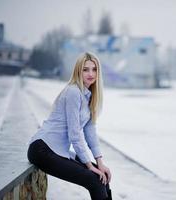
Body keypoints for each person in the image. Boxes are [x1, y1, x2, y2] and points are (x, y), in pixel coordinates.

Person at [27, 52, 112, 200]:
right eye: (85, 69)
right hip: (42, 149)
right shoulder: (73, 92)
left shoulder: (89, 96)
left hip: (57, 150)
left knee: (102, 177)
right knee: (95, 180)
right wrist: (89, 166)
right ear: (78, 71)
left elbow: (90, 130)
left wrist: (99, 163)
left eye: (94, 69)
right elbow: (75, 135)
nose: (90, 73)